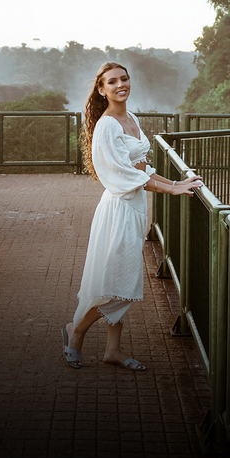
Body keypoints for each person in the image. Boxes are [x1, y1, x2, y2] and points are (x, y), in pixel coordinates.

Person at [62, 62, 202, 370]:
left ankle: (113, 350)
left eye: (124, 79)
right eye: (112, 81)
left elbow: (141, 169)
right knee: (120, 284)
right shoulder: (107, 126)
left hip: (134, 208)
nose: (120, 85)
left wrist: (177, 183)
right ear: (102, 90)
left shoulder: (132, 118)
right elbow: (124, 176)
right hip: (118, 210)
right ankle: (76, 331)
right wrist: (173, 189)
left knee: (115, 279)